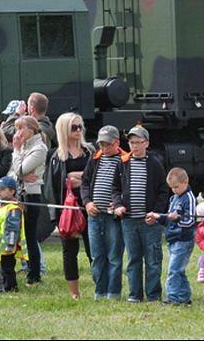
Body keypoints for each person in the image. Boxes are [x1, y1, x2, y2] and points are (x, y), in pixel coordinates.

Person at [112, 125, 170, 303]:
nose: (135, 146)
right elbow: (115, 188)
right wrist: (118, 204)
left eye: (138, 142)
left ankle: (153, 295)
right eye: (131, 142)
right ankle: (134, 294)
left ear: (147, 143)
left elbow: (163, 190)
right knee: (133, 259)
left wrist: (157, 213)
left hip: (149, 221)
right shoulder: (123, 163)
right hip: (129, 220)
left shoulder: (154, 163)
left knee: (153, 260)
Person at [42, 112, 94, 299]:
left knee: (93, 249)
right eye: (74, 127)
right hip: (67, 209)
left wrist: (78, 177)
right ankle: (75, 293)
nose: (78, 130)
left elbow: (94, 176)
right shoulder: (56, 156)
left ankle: (100, 287)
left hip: (90, 206)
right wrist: (55, 217)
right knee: (69, 252)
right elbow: (52, 187)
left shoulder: (90, 151)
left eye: (80, 126)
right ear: (64, 129)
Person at [81, 125, 129, 300]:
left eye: (107, 144)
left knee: (114, 256)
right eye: (101, 144)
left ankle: (113, 293)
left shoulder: (125, 160)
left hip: (113, 217)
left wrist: (119, 203)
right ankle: (99, 291)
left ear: (117, 143)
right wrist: (87, 203)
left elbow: (129, 187)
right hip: (94, 215)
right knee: (97, 255)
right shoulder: (95, 159)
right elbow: (85, 183)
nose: (104, 148)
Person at [149, 167, 196, 305]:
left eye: (176, 187)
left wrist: (177, 219)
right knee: (179, 270)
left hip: (183, 240)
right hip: (172, 239)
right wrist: (158, 217)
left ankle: (173, 298)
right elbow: (168, 219)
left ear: (185, 182)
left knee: (173, 270)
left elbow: (190, 221)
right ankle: (184, 297)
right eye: (171, 188)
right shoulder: (173, 198)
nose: (174, 190)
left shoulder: (189, 198)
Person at [10, 116, 48, 285]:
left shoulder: (39, 148)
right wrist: (21, 173)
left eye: (21, 129)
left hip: (31, 194)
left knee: (30, 235)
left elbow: (19, 169)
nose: (18, 133)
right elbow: (12, 173)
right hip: (19, 193)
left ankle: (35, 273)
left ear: (31, 129)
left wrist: (16, 151)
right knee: (16, 233)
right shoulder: (25, 147)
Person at [0, 176, 28, 292]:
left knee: (7, 268)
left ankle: (11, 287)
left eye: (3, 189)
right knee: (0, 268)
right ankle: (3, 285)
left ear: (12, 191)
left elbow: (13, 228)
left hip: (7, 245)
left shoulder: (13, 208)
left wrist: (10, 244)